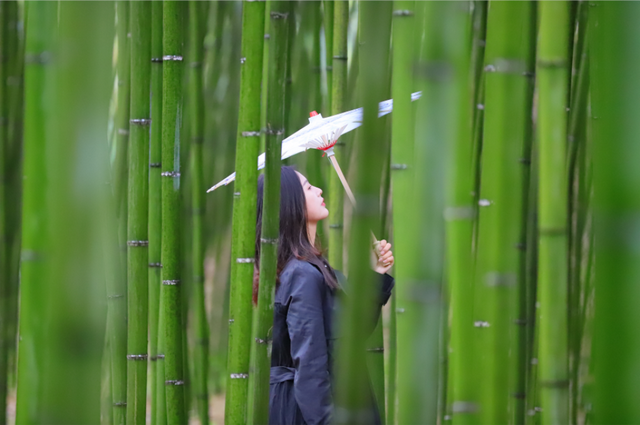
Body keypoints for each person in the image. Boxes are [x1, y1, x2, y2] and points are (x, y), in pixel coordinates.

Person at [253, 166, 395, 425]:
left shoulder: (310, 267)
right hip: (309, 410)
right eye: (308, 187)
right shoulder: (302, 275)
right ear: (290, 203)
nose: (319, 190)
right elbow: (310, 367)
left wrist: (376, 273)